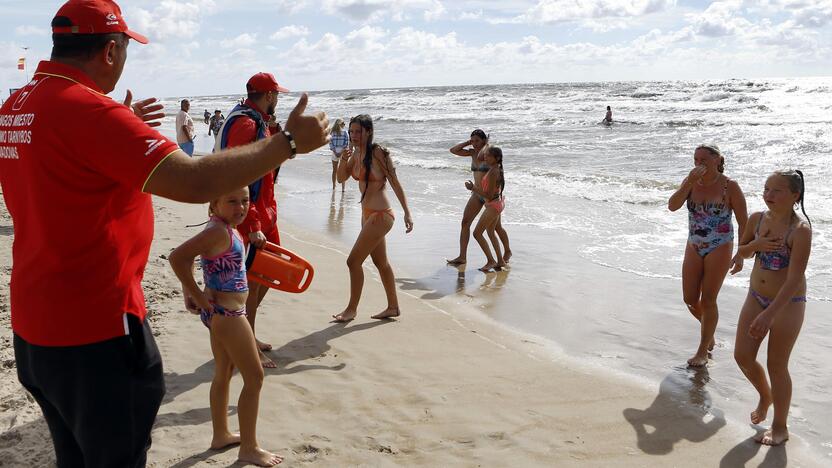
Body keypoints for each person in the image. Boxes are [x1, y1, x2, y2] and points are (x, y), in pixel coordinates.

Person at [0, 1, 329, 465]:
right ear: (111, 51)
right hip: (94, 329)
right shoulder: (90, 114)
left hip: (34, 325)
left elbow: (56, 166)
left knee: (75, 456)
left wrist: (115, 126)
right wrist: (287, 144)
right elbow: (193, 181)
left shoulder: (18, 105)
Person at [169, 186, 282, 467]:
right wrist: (195, 295)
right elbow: (177, 258)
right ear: (214, 203)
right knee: (255, 377)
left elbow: (197, 260)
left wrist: (194, 293)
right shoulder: (218, 231)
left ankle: (220, 434)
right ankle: (249, 448)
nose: (240, 207)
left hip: (220, 311)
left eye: (245, 200)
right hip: (228, 315)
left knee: (224, 372)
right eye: (232, 201)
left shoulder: (224, 227)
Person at [214, 72, 289, 368]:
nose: (278, 100)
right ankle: (246, 344)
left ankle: (248, 336)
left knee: (271, 275)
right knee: (253, 283)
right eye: (277, 95)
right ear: (269, 96)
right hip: (251, 216)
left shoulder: (255, 121)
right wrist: (255, 223)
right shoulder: (247, 123)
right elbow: (241, 175)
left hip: (265, 212)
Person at [732, 170, 812, 446]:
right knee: (742, 355)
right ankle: (765, 395)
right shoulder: (756, 219)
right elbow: (741, 252)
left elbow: (793, 280)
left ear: (795, 196)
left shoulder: (800, 231)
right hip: (757, 295)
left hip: (787, 303)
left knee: (777, 365)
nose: (768, 195)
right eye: (766, 189)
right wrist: (756, 244)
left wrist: (770, 314)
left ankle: (780, 426)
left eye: (777, 190)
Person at [667, 144, 748, 367]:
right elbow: (672, 206)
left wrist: (741, 253)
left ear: (717, 160)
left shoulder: (729, 186)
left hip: (720, 244)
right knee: (690, 299)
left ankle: (702, 350)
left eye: (703, 159)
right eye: (696, 160)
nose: (699, 164)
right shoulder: (690, 182)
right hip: (694, 243)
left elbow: (743, 221)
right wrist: (689, 182)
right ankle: (708, 330)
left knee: (708, 299)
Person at [333, 114, 413, 322]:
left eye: (358, 131)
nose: (354, 136)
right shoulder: (354, 154)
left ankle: (351, 310)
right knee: (381, 262)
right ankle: (393, 307)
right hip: (366, 215)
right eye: (351, 132)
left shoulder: (379, 153)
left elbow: (395, 182)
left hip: (381, 215)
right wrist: (343, 159)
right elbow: (341, 178)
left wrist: (407, 212)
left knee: (353, 262)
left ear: (368, 131)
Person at [446, 129, 511, 266]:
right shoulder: (472, 153)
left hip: (490, 197)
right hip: (477, 194)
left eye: (477, 141)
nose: (474, 144)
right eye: (472, 141)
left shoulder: (488, 154)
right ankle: (462, 256)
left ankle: (507, 251)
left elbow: (484, 157)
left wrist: (486, 144)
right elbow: (453, 150)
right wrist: (469, 142)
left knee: (496, 228)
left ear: (484, 140)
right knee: (465, 222)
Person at [465, 146, 506, 272]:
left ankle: (491, 260)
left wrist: (473, 188)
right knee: (490, 232)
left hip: (493, 205)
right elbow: (479, 157)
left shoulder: (494, 171)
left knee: (477, 233)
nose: (485, 157)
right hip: (495, 204)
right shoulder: (494, 168)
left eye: (488, 156)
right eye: (486, 155)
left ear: (497, 158)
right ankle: (500, 261)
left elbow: (487, 195)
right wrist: (485, 145)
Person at [329, 118, 348, 191]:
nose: (344, 125)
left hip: (334, 153)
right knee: (343, 170)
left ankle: (334, 186)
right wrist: (341, 152)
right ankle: (343, 188)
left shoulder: (332, 133)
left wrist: (335, 152)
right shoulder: (345, 132)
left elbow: (330, 144)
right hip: (343, 153)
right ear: (341, 124)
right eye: (343, 123)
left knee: (334, 170)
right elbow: (346, 144)